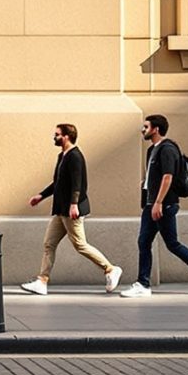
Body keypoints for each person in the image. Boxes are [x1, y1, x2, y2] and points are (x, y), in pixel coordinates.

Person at [22, 122, 121, 295]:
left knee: (80, 245)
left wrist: (74, 204)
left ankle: (110, 269)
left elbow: (77, 183)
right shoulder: (63, 156)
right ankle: (42, 281)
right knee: (49, 244)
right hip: (61, 210)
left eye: (57, 134)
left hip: (70, 210)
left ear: (67, 136)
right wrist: (41, 196)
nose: (54, 137)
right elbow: (58, 183)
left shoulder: (75, 156)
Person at [127, 113, 188, 298]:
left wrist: (159, 202)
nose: (142, 130)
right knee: (144, 242)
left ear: (156, 129)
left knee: (172, 244)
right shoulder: (153, 150)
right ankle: (143, 284)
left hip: (164, 205)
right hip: (151, 204)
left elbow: (168, 177)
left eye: (146, 127)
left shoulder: (168, 149)